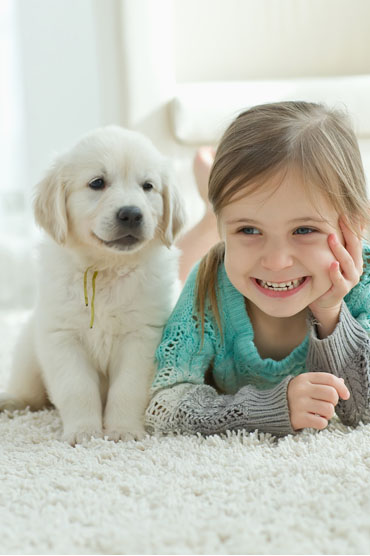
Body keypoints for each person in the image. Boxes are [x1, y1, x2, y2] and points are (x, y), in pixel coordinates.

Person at [145, 101, 370, 437]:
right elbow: (163, 406)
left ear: (352, 226)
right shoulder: (209, 285)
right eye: (248, 229)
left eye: (304, 230)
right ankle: (211, 214)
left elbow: (362, 412)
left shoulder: (363, 283)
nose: (277, 261)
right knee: (161, 272)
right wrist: (268, 408)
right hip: (215, 251)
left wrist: (331, 314)